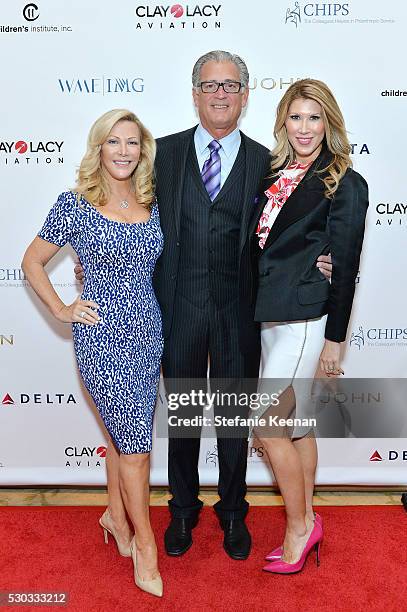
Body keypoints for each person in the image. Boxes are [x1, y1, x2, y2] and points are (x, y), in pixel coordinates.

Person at [75, 51, 332, 560]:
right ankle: (184, 510)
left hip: (241, 313)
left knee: (236, 421)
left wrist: (324, 258)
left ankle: (234, 511)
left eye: (230, 85)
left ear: (244, 95)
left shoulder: (269, 163)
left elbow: (300, 226)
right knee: (185, 419)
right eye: (210, 85)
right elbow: (117, 208)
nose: (220, 94)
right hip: (176, 308)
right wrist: (92, 261)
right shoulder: (160, 156)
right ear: (195, 94)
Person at [22, 109, 164, 597]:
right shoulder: (76, 204)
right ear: (98, 148)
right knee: (137, 450)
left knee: (122, 439)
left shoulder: (151, 198)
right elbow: (32, 261)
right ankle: (145, 545)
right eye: (113, 142)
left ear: (141, 150)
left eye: (131, 143)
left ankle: (116, 517)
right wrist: (62, 308)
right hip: (102, 337)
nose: (123, 151)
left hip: (148, 331)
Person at [250, 79, 368, 574]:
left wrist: (335, 341)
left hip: (303, 318)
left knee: (267, 425)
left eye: (314, 118)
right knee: (297, 428)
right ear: (283, 122)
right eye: (296, 117)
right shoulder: (273, 174)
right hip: (269, 315)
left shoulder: (345, 182)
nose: (304, 127)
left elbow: (346, 264)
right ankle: (306, 518)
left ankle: (300, 526)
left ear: (329, 123)